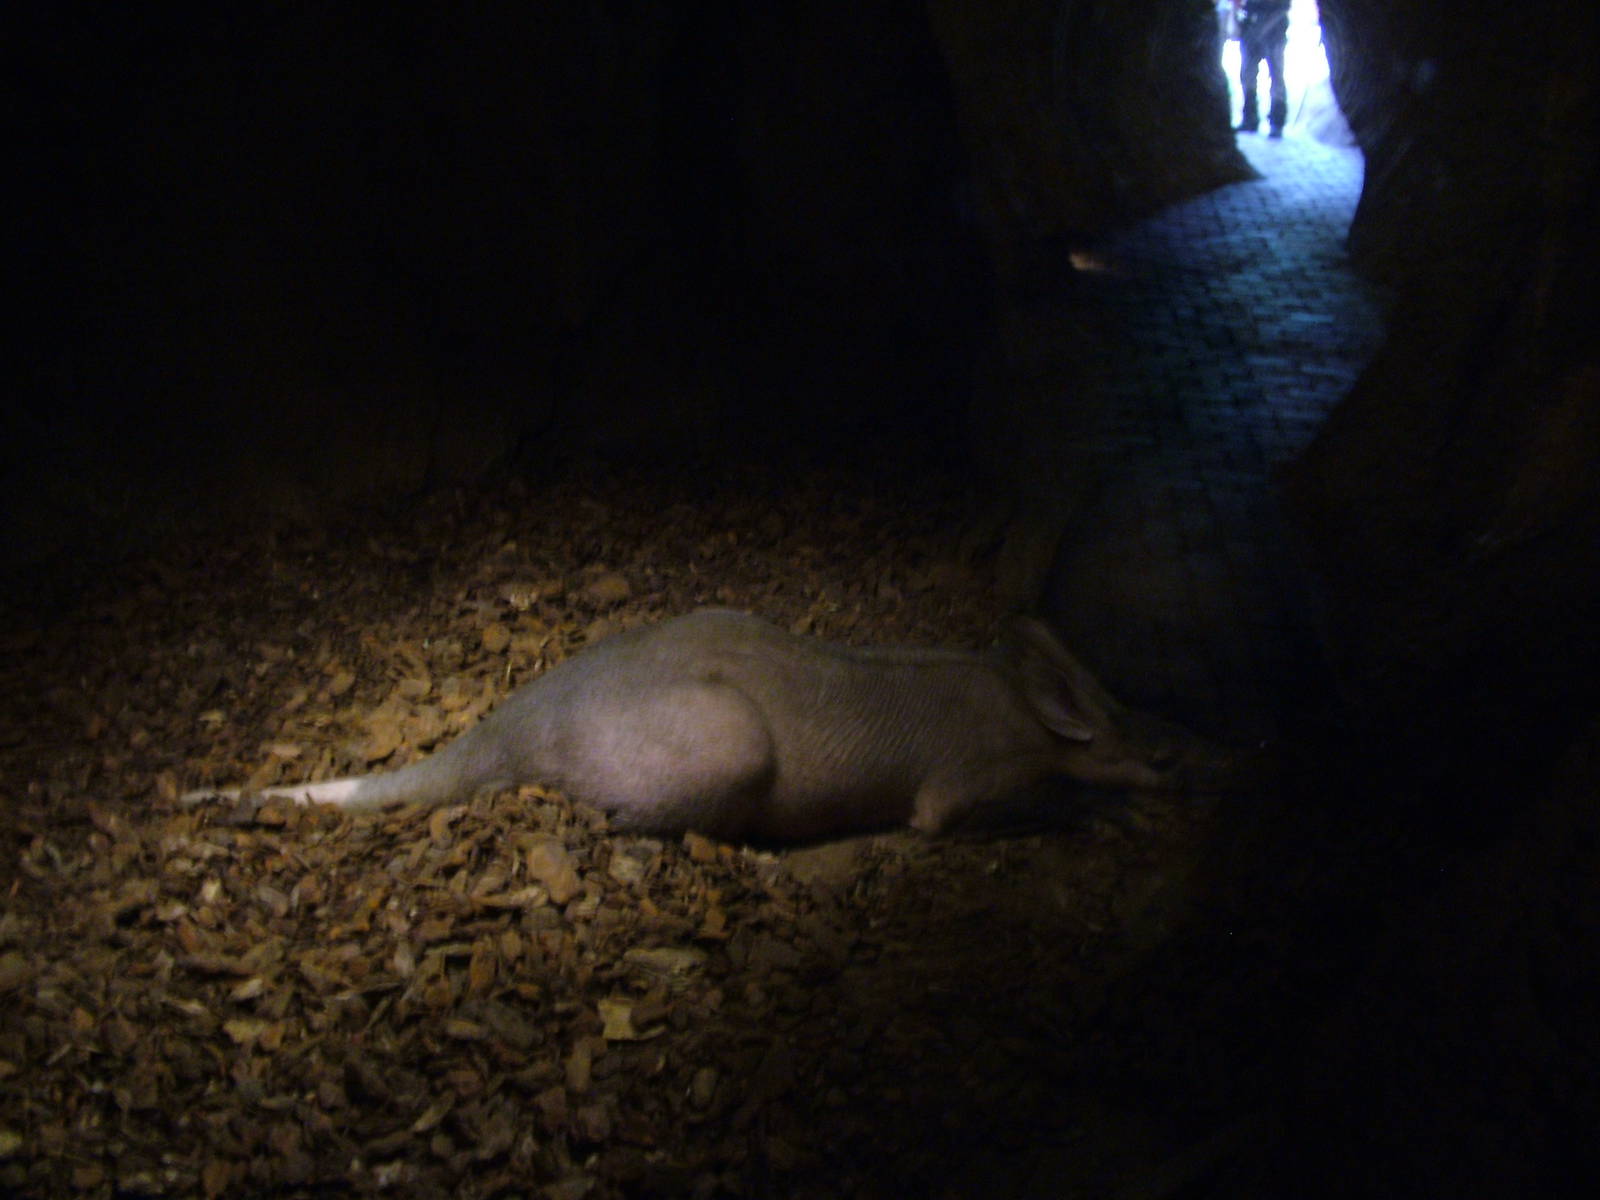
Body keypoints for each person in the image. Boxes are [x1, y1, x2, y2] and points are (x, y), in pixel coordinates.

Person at [1234, 0, 1291, 137]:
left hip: (1274, 32)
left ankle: (1276, 122)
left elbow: (1283, 7)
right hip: (1251, 29)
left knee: (1276, 76)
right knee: (1248, 76)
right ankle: (1250, 118)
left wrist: (1263, 29)